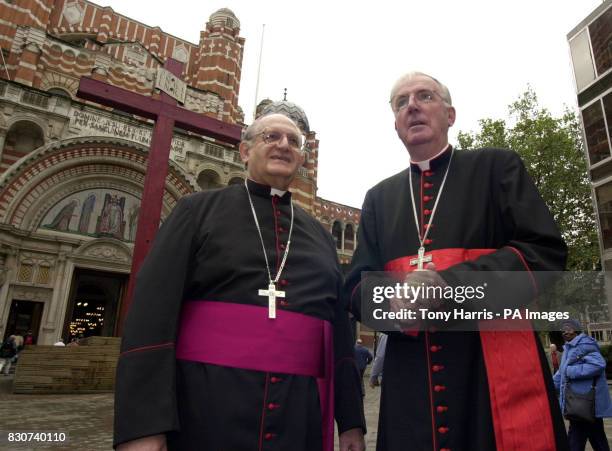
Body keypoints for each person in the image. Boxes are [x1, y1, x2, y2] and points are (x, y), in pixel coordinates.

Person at [345, 72, 569, 450]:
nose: (412, 105)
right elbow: (354, 287)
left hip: (492, 376)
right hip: (412, 385)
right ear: (396, 125)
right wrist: (393, 303)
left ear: (450, 115)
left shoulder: (497, 168)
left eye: (425, 96)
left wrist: (450, 285)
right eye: (401, 102)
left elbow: (543, 253)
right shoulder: (379, 199)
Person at [114, 113, 366, 451]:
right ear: (245, 151)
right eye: (271, 136)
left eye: (294, 141)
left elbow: (338, 334)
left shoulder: (320, 237)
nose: (283, 145)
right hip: (206, 408)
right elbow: (151, 316)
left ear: (303, 158)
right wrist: (143, 427)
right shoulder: (196, 211)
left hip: (298, 415)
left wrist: (350, 423)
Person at [554, 319, 612, 451]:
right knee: (598, 440)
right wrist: (548, 387)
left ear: (576, 330)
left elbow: (598, 364)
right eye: (563, 329)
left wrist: (570, 371)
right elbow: (560, 374)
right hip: (581, 404)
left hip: (583, 403)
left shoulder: (584, 344)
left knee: (575, 442)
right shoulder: (569, 348)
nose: (565, 331)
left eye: (568, 328)